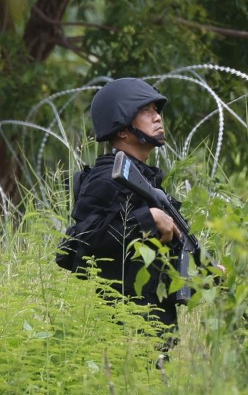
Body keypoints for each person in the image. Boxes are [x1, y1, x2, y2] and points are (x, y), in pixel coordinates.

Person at [57, 77, 186, 330]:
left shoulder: (146, 181)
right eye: (145, 111)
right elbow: (84, 238)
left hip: (153, 324)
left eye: (156, 111)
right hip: (121, 326)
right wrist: (149, 219)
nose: (157, 117)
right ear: (122, 129)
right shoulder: (107, 177)